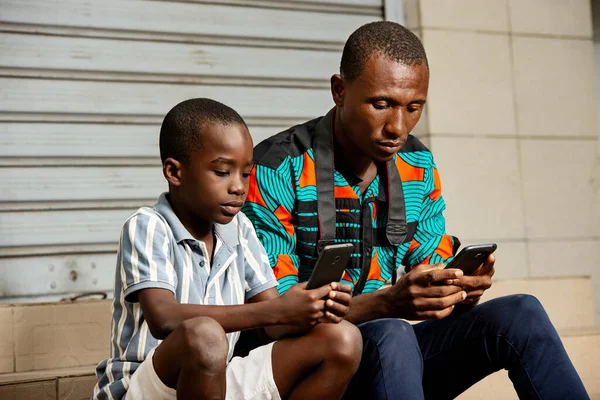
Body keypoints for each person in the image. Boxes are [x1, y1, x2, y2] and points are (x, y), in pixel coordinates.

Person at [242, 21, 589, 399]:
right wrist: (387, 303)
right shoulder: (276, 168)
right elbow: (273, 320)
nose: (398, 127)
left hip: (390, 359)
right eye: (381, 104)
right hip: (312, 366)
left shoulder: (417, 164)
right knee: (393, 330)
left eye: (413, 107)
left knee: (521, 313)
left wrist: (457, 288)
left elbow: (430, 262)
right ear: (339, 91)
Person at [91, 98, 362, 400]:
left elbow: (274, 324)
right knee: (205, 336)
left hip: (215, 380)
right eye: (222, 172)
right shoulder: (149, 225)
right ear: (174, 172)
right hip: (145, 388)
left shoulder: (240, 228)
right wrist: (276, 310)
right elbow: (163, 317)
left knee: (342, 339)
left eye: (245, 173)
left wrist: (309, 307)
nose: (238, 187)